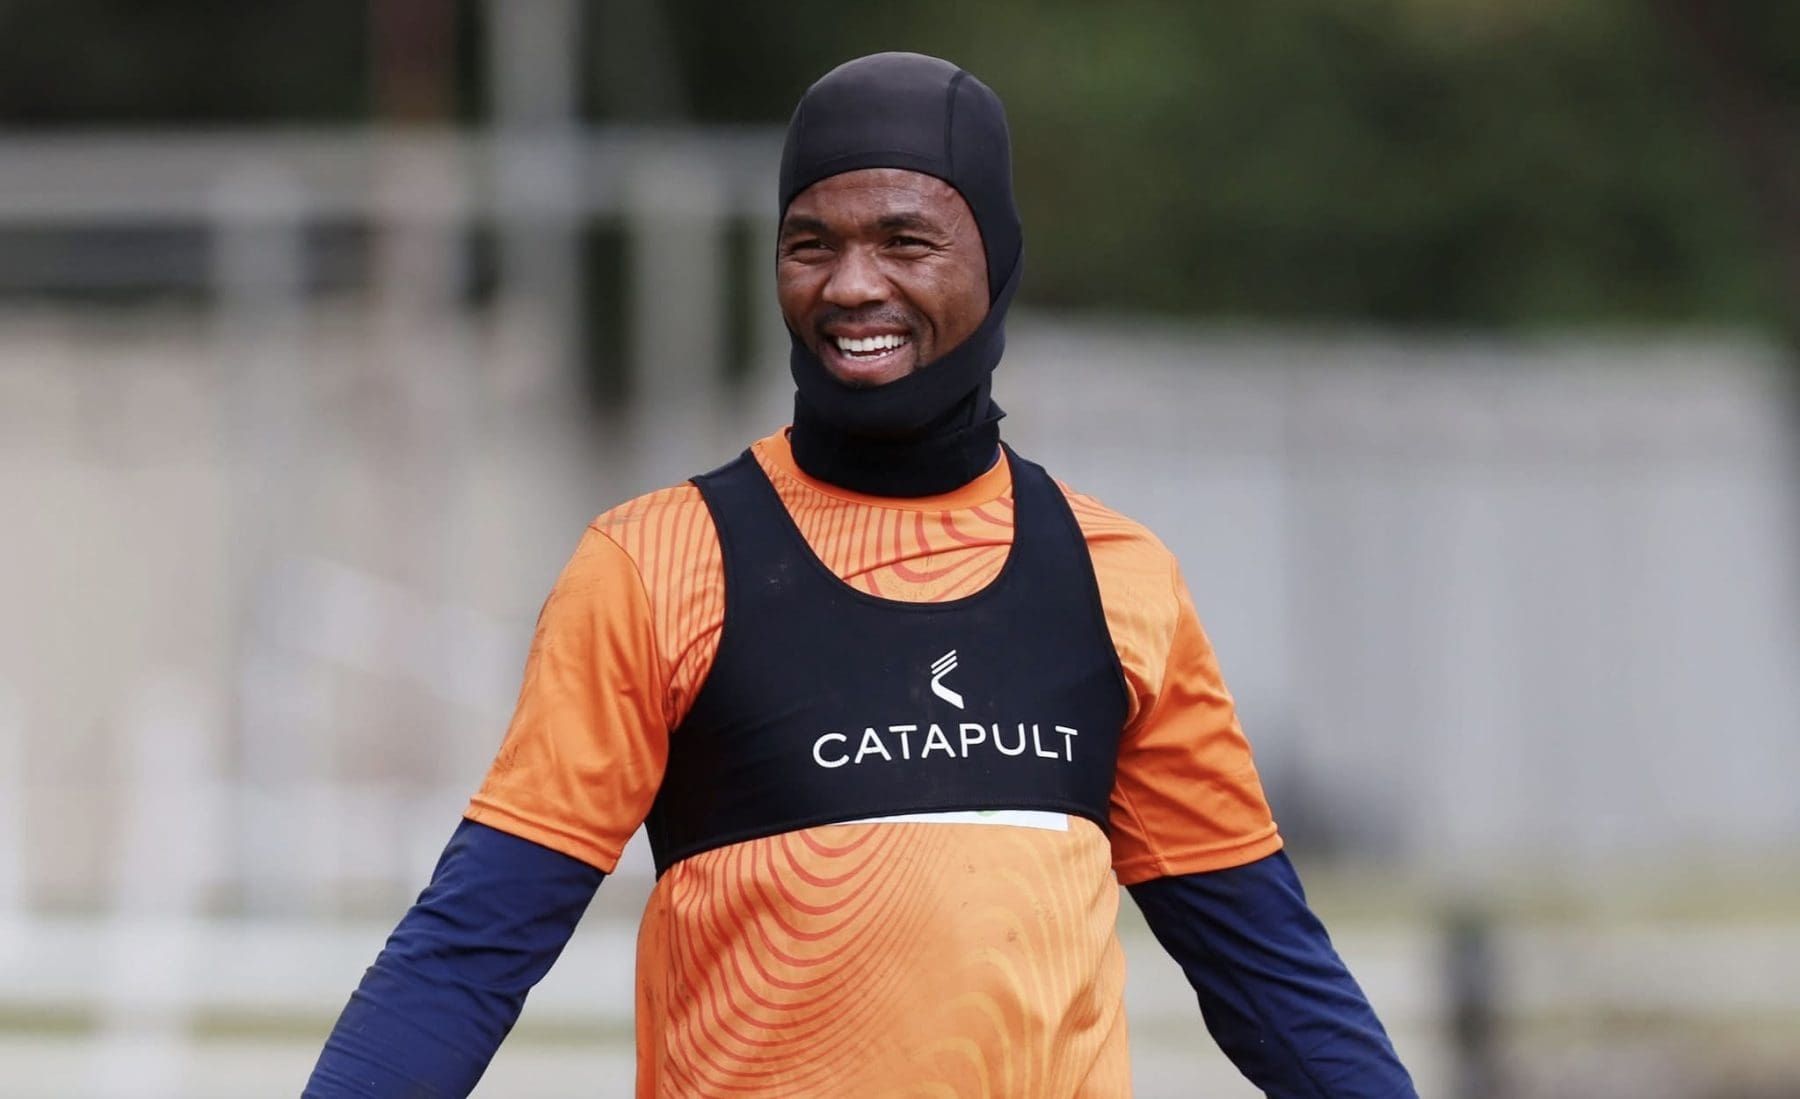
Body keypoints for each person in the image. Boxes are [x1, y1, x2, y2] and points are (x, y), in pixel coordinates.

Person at [306, 52, 1416, 1098]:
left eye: (905, 240)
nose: (851, 286)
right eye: (809, 242)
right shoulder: (653, 563)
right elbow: (471, 949)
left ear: (998, 258)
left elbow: (1268, 970)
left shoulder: (1115, 577)